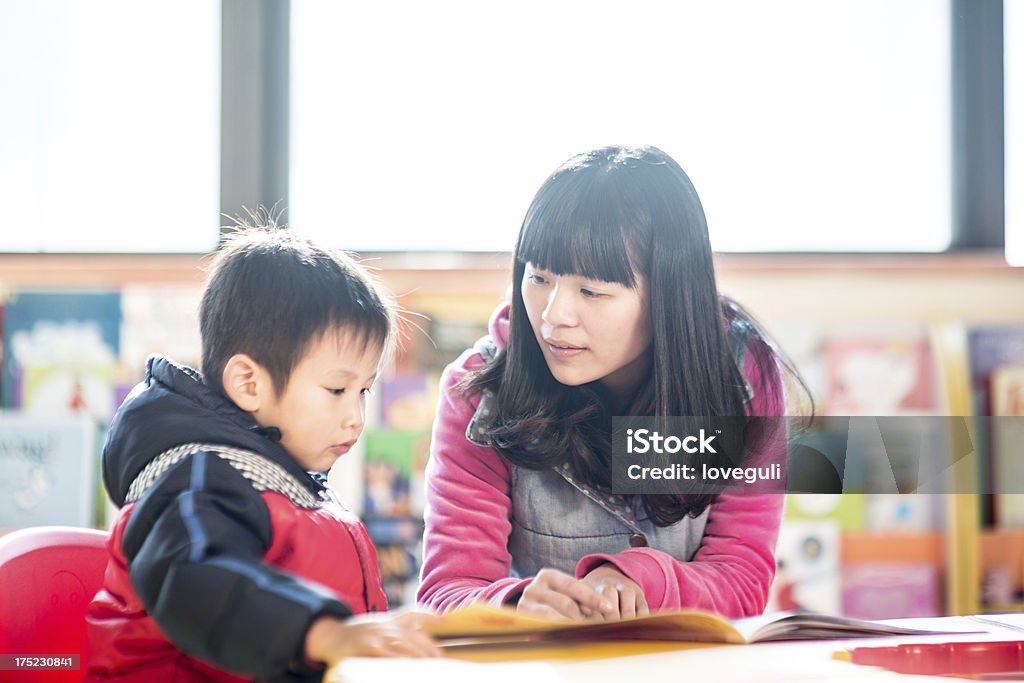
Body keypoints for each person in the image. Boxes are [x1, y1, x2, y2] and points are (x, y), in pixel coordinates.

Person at [418, 145, 796, 621]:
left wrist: (638, 578)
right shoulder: (480, 392)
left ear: (668, 293)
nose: (554, 316)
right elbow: (448, 590)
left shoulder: (742, 379)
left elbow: (742, 580)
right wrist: (514, 604)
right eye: (538, 278)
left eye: (592, 291)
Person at [86, 227, 439, 683]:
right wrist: (325, 633)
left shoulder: (289, 482)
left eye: (363, 390)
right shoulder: (194, 480)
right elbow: (198, 576)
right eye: (336, 389)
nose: (355, 416)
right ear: (249, 383)